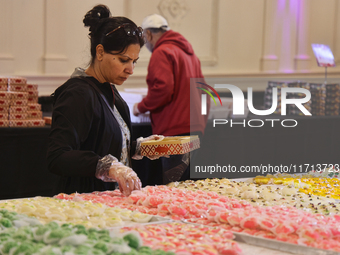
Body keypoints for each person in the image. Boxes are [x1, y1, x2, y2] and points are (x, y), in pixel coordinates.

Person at [47, 5, 162, 196]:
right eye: (123, 60)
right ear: (100, 52)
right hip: (83, 203)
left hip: (108, 202)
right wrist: (106, 167)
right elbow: (58, 157)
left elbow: (101, 141)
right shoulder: (78, 93)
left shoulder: (108, 88)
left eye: (134, 61)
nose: (131, 70)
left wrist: (139, 148)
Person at [133, 14, 209, 184]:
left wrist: (141, 106)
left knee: (174, 184)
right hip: (195, 127)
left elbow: (163, 89)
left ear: (149, 34)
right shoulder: (189, 53)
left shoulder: (162, 52)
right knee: (188, 183)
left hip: (175, 130)